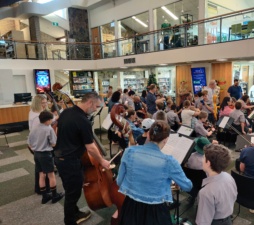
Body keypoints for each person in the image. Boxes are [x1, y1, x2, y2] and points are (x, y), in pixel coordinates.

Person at [117, 121, 192, 225]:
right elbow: (188, 186)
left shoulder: (129, 151)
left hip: (130, 206)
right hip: (155, 211)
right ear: (166, 140)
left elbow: (119, 181)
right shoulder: (169, 161)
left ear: (148, 134)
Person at [54, 92, 110, 225]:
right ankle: (70, 221)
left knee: (71, 189)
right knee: (72, 194)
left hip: (60, 157)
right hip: (70, 161)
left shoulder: (66, 112)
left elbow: (56, 129)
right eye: (96, 106)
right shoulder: (83, 120)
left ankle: (75, 212)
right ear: (90, 103)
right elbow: (90, 147)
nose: (96, 109)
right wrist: (102, 161)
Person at [28, 111, 65, 204]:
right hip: (45, 154)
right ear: (48, 120)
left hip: (36, 154)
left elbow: (30, 143)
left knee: (41, 174)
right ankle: (54, 195)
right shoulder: (48, 129)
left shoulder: (34, 128)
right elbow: (53, 143)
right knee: (51, 175)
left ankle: (45, 196)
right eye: (51, 119)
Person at [195, 144, 237, 225]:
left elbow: (203, 221)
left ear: (208, 163)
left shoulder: (205, 192)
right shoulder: (229, 177)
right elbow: (234, 196)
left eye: (203, 157)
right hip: (228, 220)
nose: (201, 160)